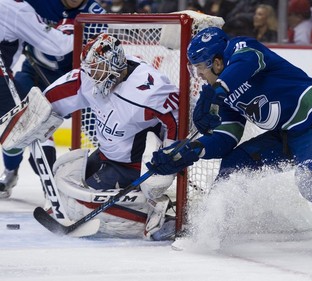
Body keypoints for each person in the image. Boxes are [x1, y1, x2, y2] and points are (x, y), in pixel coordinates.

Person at [147, 27, 312, 261]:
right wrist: (195, 150)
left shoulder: (240, 48)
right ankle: (209, 230)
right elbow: (227, 138)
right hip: (285, 134)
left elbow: (247, 62)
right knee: (234, 164)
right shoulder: (222, 96)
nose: (198, 76)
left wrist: (217, 92)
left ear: (216, 62)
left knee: (311, 180)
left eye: (200, 68)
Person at [1, 33, 180, 240]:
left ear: (114, 63)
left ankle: (162, 217)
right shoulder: (89, 79)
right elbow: (51, 99)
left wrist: (169, 155)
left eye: (97, 69)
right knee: (64, 181)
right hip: (106, 155)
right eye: (89, 69)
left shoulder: (148, 90)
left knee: (84, 203)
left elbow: (175, 117)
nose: (91, 75)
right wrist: (30, 119)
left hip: (134, 165)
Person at [0, 0, 106, 199]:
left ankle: (112, 178)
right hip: (34, 74)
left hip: (75, 81)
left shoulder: (95, 13)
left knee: (101, 130)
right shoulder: (37, 2)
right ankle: (12, 173)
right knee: (18, 122)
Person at [0, 0, 74, 198]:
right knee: (29, 125)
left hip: (50, 75)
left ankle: (14, 173)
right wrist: (81, 36)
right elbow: (56, 45)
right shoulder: (16, 9)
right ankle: (51, 189)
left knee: (18, 126)